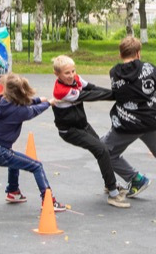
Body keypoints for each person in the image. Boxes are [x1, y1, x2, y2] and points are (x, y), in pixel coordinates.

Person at [103, 35, 156, 199]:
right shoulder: (148, 68)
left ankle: (135, 178)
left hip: (126, 123)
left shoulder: (114, 72)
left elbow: (120, 91)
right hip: (151, 122)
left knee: (105, 151)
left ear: (121, 54)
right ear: (138, 53)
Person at [50, 55, 130, 208]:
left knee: (103, 150)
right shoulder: (62, 91)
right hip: (69, 131)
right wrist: (117, 96)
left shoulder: (76, 79)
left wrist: (116, 92)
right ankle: (113, 194)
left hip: (82, 125)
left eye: (73, 71)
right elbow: (91, 96)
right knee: (101, 150)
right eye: (67, 73)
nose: (71, 75)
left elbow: (93, 88)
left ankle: (109, 185)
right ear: (57, 74)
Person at [0, 73, 66, 211]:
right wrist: (47, 103)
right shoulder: (18, 111)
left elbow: (22, 103)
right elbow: (31, 111)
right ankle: (48, 200)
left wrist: (38, 100)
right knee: (36, 166)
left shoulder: (2, 100)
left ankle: (13, 192)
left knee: (14, 160)